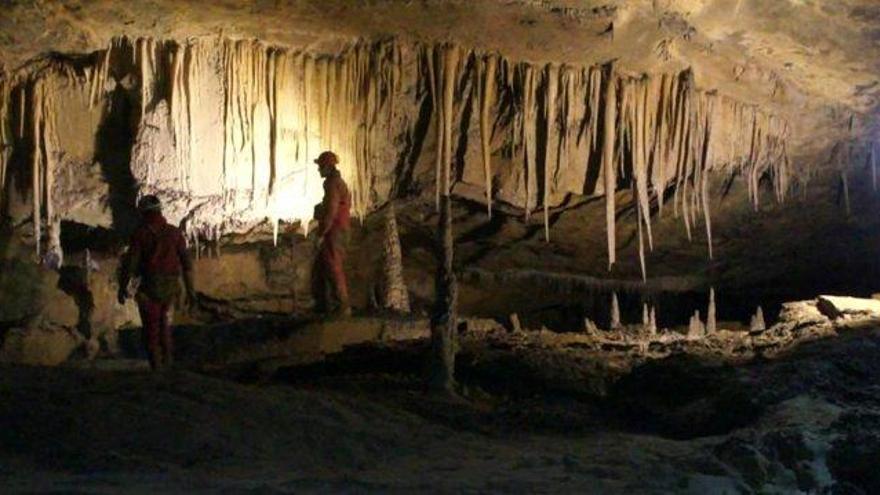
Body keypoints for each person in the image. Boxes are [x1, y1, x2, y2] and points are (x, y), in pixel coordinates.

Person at [117, 195, 196, 370]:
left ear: (143, 213)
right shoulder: (175, 233)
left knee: (151, 330)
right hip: (171, 287)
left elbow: (131, 264)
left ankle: (157, 369)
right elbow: (187, 264)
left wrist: (123, 287)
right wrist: (191, 291)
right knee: (165, 327)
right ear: (160, 210)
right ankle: (168, 365)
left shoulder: (141, 234)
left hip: (150, 288)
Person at [311, 151, 352, 317]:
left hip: (335, 230)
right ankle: (327, 304)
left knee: (334, 267)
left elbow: (332, 210)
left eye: (320, 166)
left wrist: (322, 232)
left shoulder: (332, 183)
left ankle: (343, 305)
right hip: (340, 229)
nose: (318, 170)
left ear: (328, 167)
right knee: (324, 267)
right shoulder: (338, 183)